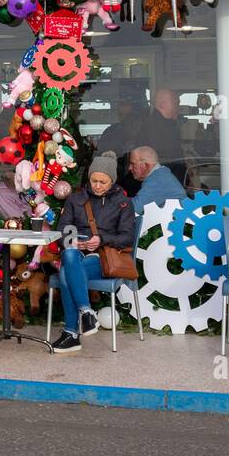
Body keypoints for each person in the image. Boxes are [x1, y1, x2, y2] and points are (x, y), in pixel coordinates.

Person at [50, 150, 137, 354]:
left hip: (103, 257)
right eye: (94, 180)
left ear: (112, 181)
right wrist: (72, 241)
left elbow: (127, 238)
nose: (97, 185)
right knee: (70, 255)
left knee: (65, 274)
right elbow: (62, 229)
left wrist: (101, 239)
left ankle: (71, 333)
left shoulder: (123, 203)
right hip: (77, 252)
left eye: (103, 182)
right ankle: (86, 312)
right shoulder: (75, 198)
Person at [128, 145, 186, 211]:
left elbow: (134, 209)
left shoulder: (159, 180)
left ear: (146, 165)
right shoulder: (160, 174)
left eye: (133, 164)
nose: (129, 168)